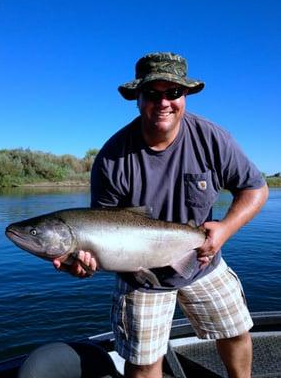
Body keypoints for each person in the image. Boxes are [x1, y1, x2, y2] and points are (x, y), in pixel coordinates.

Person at [54, 52, 269, 378]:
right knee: (143, 363)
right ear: (137, 99)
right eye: (153, 94)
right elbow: (102, 227)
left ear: (185, 96)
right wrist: (83, 263)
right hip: (140, 279)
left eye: (174, 93)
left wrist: (223, 230)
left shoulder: (212, 138)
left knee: (237, 332)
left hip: (202, 261)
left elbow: (256, 189)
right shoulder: (112, 159)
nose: (164, 102)